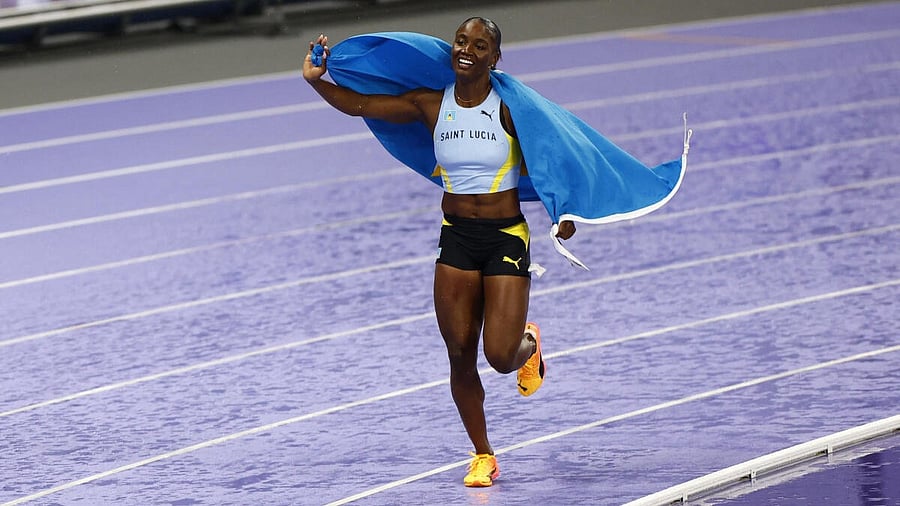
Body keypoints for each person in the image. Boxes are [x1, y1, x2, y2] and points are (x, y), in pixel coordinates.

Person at [302, 17, 576, 487]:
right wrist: (318, 81)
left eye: (480, 45)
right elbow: (361, 105)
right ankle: (483, 454)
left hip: (505, 237)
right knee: (459, 353)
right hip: (456, 239)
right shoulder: (432, 105)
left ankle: (527, 345)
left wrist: (563, 211)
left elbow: (553, 160)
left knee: (499, 355)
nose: (467, 50)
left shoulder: (509, 111)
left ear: (495, 58)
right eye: (461, 41)